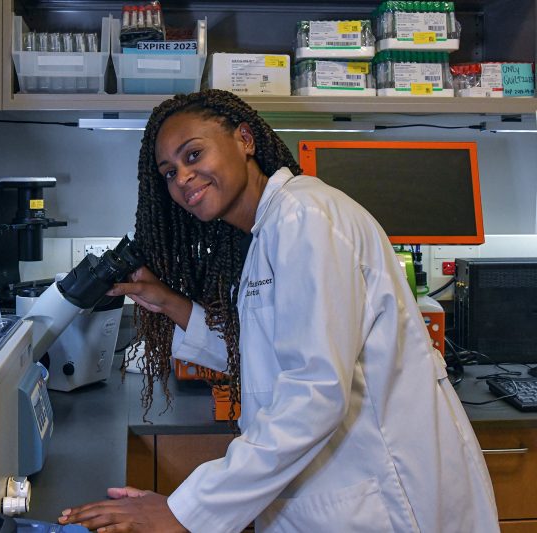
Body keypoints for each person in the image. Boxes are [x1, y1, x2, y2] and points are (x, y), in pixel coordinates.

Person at [58, 89, 498, 533]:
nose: (183, 178)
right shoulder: (269, 231)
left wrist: (184, 511)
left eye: (194, 154)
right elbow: (266, 355)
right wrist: (168, 302)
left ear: (245, 139)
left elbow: (314, 392)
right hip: (340, 498)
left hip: (385, 501)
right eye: (169, 172)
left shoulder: (304, 217)